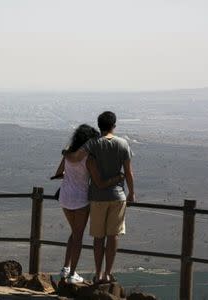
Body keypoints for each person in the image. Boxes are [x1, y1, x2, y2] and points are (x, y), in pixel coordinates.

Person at [51, 124, 124, 284]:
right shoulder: (89, 157)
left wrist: (70, 175)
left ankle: (66, 268)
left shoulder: (68, 153)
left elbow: (58, 173)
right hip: (80, 199)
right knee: (78, 236)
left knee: (74, 232)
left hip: (65, 197)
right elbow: (99, 182)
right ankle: (72, 275)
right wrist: (118, 178)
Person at [72, 111, 135, 283]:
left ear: (99, 126)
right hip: (118, 196)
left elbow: (76, 157)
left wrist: (66, 153)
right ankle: (108, 273)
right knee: (113, 236)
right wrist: (132, 193)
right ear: (114, 125)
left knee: (98, 237)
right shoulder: (123, 144)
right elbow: (128, 172)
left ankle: (98, 273)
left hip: (97, 197)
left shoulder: (92, 144)